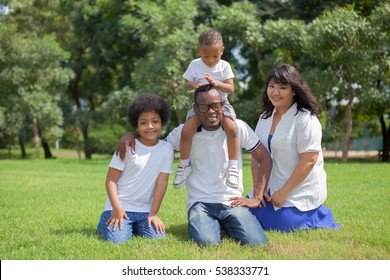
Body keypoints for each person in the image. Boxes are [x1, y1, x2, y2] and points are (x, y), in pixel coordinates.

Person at [117, 84, 272, 246]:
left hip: (232, 202)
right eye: (204, 107)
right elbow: (155, 148)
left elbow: (264, 158)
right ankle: (215, 225)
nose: (211, 111)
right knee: (207, 243)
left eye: (215, 105)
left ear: (223, 106)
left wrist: (257, 196)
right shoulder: (184, 132)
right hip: (200, 203)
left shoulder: (238, 127)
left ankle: (226, 223)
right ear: (195, 109)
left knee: (257, 242)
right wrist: (131, 135)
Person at [247, 63, 341, 232]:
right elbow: (256, 156)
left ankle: (317, 215)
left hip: (296, 192)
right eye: (271, 86)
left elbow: (309, 160)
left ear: (294, 90)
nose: (275, 92)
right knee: (241, 214)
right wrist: (257, 191)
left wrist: (283, 192)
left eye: (282, 88)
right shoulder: (264, 117)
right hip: (268, 190)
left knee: (278, 224)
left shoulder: (306, 120)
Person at [96, 93, 174, 243]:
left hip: (145, 211)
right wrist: (116, 208)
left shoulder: (167, 149)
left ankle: (135, 226)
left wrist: (153, 213)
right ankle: (105, 220)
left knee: (159, 239)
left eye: (155, 121)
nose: (150, 127)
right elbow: (111, 180)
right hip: (120, 208)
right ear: (136, 126)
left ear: (162, 123)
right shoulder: (126, 147)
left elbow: (162, 182)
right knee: (117, 241)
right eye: (143, 123)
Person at [173, 29, 239, 190]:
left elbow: (230, 88)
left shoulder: (224, 66)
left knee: (232, 129)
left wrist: (216, 84)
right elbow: (185, 85)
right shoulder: (195, 65)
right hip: (200, 106)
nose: (211, 60)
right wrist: (194, 84)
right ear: (199, 52)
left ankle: (232, 167)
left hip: (221, 103)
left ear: (222, 51)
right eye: (206, 56)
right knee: (187, 131)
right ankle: (183, 165)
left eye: (215, 56)